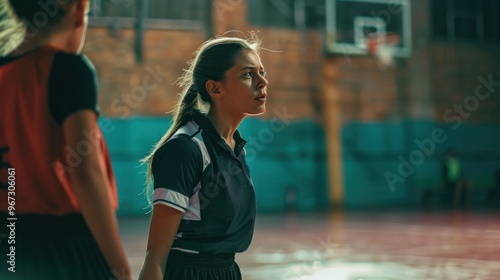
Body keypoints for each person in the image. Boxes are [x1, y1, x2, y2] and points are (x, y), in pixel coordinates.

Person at [0, 0, 130, 279]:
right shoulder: (67, 68)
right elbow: (85, 173)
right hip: (62, 246)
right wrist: (120, 267)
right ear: (79, 9)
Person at [139, 34, 268, 280]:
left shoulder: (233, 147)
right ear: (215, 88)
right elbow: (155, 256)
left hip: (228, 270)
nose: (262, 82)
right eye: (248, 74)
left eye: (262, 72)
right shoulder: (185, 149)